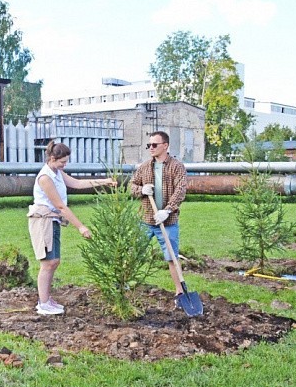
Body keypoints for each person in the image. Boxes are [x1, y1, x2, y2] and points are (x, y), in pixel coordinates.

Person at [28, 141, 115, 315]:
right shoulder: (45, 177)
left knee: (54, 261)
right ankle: (43, 304)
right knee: (48, 262)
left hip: (53, 220)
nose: (64, 165)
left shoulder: (57, 172)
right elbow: (60, 206)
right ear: (52, 158)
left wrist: (104, 181)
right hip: (43, 220)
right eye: (62, 162)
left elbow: (77, 183)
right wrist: (81, 227)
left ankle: (46, 299)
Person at [129, 130, 188, 308]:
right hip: (146, 220)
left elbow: (181, 190)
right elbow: (131, 185)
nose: (151, 148)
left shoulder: (176, 167)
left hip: (167, 221)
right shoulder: (145, 167)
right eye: (149, 145)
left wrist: (168, 211)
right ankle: (123, 282)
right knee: (134, 252)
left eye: (154, 145)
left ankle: (180, 292)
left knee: (171, 257)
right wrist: (141, 190)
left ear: (165, 146)